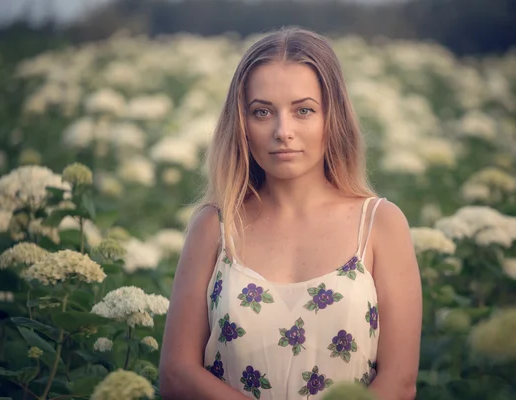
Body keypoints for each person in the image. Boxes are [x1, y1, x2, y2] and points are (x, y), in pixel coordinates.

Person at [159, 27, 422, 400]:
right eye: (262, 112)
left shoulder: (380, 223)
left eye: (303, 110)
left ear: (333, 118)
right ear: (242, 124)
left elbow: (399, 382)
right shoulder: (214, 226)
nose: (283, 131)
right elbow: (176, 373)